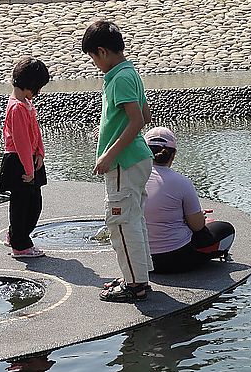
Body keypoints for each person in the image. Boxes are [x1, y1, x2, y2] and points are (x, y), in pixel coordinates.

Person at [82, 20, 153, 302]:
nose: (95, 64)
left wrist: (109, 155)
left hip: (124, 162)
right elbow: (146, 116)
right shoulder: (129, 73)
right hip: (138, 158)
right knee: (133, 218)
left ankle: (135, 284)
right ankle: (139, 274)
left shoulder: (119, 77)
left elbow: (136, 120)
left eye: (93, 58)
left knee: (120, 222)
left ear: (102, 51)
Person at [143, 127, 235, 273]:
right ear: (173, 155)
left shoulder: (132, 179)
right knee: (226, 229)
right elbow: (198, 226)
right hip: (175, 259)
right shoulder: (182, 182)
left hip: (141, 260)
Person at [0, 57, 50, 258]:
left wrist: (40, 153)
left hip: (29, 159)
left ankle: (16, 235)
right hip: (19, 161)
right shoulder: (17, 107)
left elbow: (35, 132)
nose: (38, 93)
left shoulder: (25, 103)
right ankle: (20, 244)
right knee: (24, 205)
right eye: (37, 88)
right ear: (29, 85)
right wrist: (29, 170)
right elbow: (21, 142)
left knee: (32, 202)